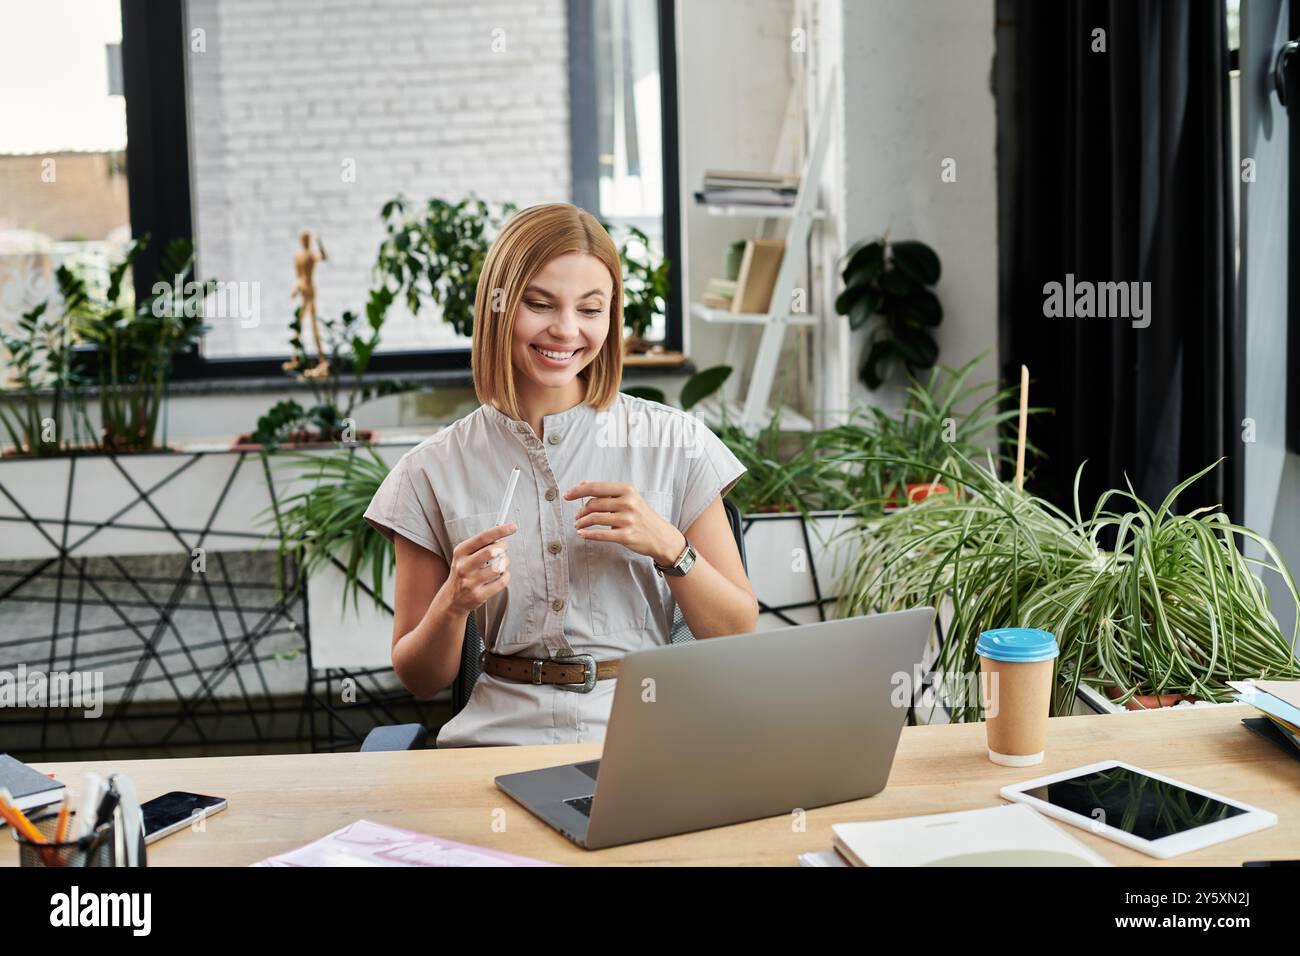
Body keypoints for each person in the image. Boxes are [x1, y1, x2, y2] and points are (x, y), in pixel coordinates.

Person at [364, 202, 758, 746]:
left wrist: (669, 547)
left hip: (645, 734)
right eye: (539, 303)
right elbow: (421, 678)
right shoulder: (430, 470)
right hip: (496, 741)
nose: (566, 329)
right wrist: (453, 602)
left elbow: (736, 630)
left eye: (591, 309)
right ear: (499, 306)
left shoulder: (675, 443)